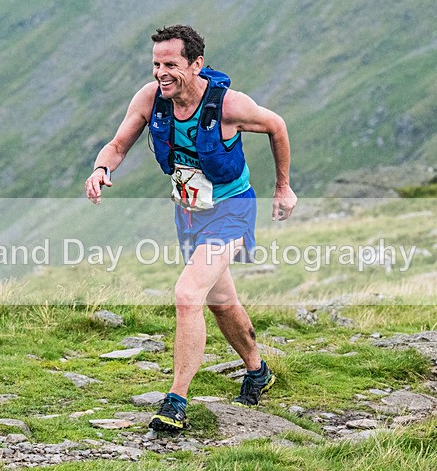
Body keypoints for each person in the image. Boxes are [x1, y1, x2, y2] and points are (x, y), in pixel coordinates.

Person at [85, 25, 297, 431]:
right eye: (156, 64)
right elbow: (117, 145)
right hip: (189, 212)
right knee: (219, 300)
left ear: (196, 64)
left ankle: (176, 402)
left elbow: (277, 126)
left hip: (232, 210)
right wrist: (100, 169)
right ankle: (258, 371)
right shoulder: (150, 100)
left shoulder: (229, 106)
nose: (161, 73)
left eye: (171, 65)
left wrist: (282, 187)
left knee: (187, 294)